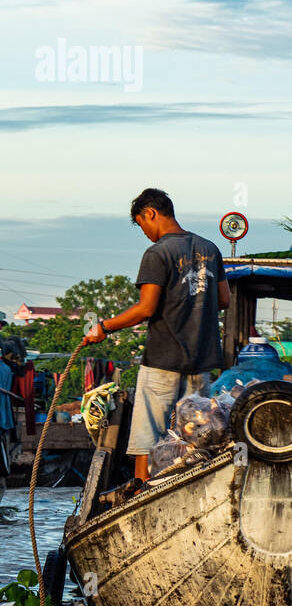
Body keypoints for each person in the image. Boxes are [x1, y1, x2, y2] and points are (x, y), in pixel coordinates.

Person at [81, 188, 230, 482]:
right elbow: (223, 300)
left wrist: (104, 328)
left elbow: (146, 308)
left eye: (142, 224)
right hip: (201, 362)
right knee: (196, 434)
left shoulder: (158, 252)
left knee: (146, 434)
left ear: (150, 214)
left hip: (163, 359)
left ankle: (142, 489)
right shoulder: (210, 249)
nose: (146, 233)